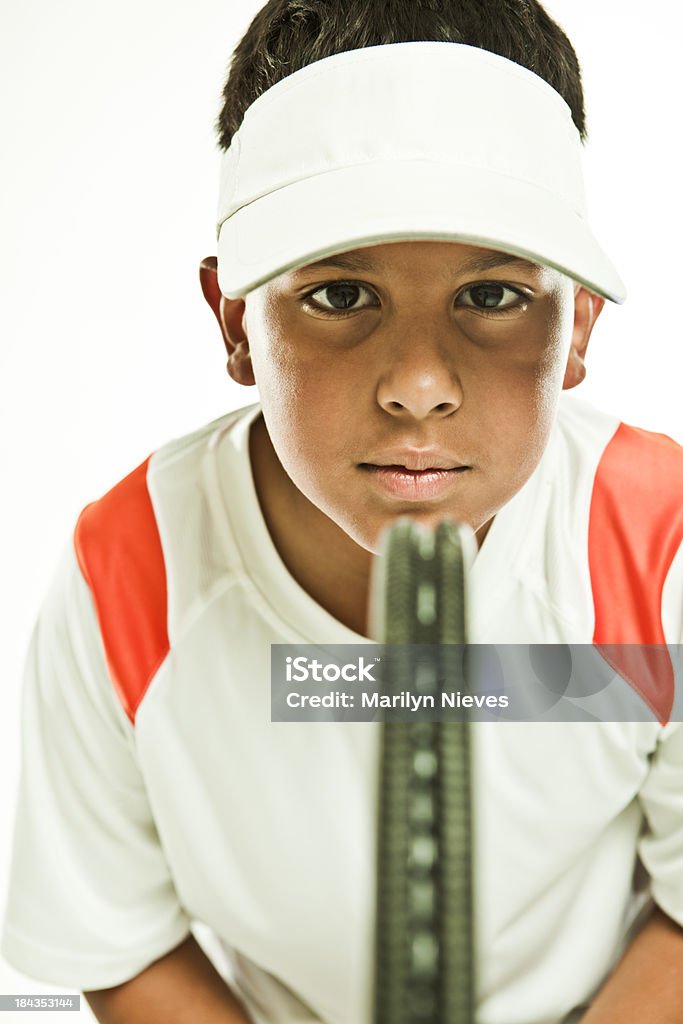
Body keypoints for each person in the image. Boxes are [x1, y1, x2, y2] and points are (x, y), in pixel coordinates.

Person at [2, 1, 682, 1022]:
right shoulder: (131, 572)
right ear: (234, 321)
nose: (416, 383)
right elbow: (118, 937)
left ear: (576, 326)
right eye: (338, 295)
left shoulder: (654, 540)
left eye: (491, 295)